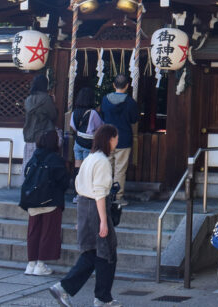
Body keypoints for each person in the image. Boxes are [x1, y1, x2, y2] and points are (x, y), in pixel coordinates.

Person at [49, 124, 121, 307]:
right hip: (96, 206)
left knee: (92, 252)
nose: (117, 141)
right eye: (116, 138)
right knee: (107, 252)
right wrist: (104, 221)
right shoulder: (103, 161)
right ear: (110, 139)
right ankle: (100, 297)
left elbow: (80, 185)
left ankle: (71, 289)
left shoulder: (90, 158)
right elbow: (99, 193)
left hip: (84, 205)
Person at [22, 128, 70, 276]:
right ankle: (41, 264)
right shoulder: (56, 159)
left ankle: (30, 264)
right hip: (50, 200)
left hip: (32, 200)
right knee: (48, 233)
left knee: (33, 232)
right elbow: (64, 181)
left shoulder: (33, 157)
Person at [99, 74, 138, 200]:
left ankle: (105, 194)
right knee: (120, 169)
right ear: (127, 86)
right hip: (124, 138)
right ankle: (117, 197)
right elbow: (134, 119)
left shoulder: (105, 100)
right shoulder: (131, 102)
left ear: (114, 85)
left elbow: (103, 116)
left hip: (108, 138)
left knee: (107, 167)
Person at [23, 72, 58, 166]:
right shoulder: (46, 99)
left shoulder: (28, 99)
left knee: (28, 164)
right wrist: (53, 103)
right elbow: (53, 115)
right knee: (40, 166)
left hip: (29, 137)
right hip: (42, 138)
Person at [69, 86, 102, 170]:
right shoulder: (93, 113)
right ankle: (84, 182)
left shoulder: (75, 112)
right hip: (89, 143)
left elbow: (72, 126)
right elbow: (100, 126)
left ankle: (77, 181)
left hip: (78, 141)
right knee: (86, 167)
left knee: (78, 164)